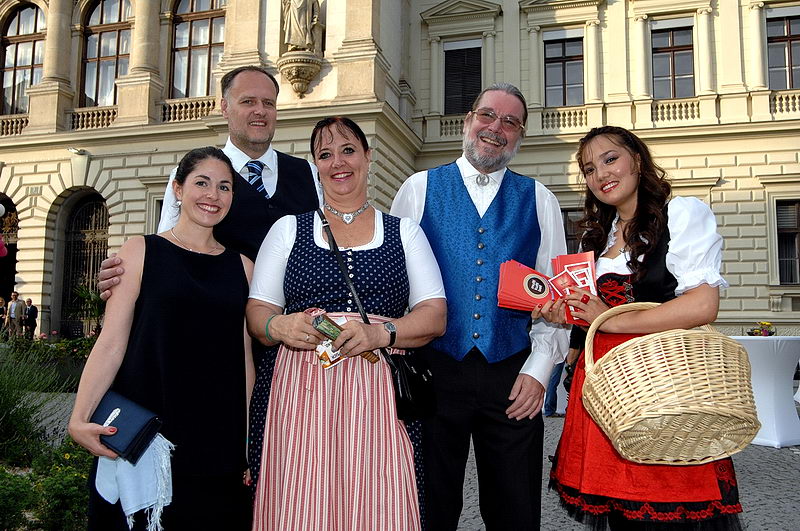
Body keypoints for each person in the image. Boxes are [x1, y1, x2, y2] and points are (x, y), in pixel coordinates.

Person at [97, 65, 321, 491]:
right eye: (248, 101)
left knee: (283, 474)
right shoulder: (192, 176)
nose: (260, 111)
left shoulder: (307, 175)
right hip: (211, 352)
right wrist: (123, 276)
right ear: (224, 107)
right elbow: (166, 256)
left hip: (289, 352)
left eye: (269, 103)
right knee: (197, 470)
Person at [536, 126, 742, 530]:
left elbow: (702, 306)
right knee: (620, 514)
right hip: (602, 392)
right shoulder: (595, 239)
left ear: (637, 159)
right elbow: (590, 317)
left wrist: (609, 319)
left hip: (660, 385)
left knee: (666, 508)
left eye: (610, 159)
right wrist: (564, 314)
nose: (600, 175)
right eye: (589, 169)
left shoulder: (681, 214)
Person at [247, 116, 446, 530]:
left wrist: (380, 332)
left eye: (349, 150)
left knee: (381, 500)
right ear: (316, 166)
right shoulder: (288, 229)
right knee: (301, 499)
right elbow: (258, 312)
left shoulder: (404, 232)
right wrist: (279, 327)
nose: (338, 162)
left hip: (379, 390)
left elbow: (434, 315)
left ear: (368, 157)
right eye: (325, 154)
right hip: (300, 389)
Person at [390, 82, 569, 530]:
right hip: (433, 369)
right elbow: (396, 284)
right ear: (468, 120)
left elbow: (557, 296)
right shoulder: (418, 188)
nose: (496, 127)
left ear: (520, 134)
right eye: (487, 115)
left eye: (510, 121)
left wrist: (539, 371)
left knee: (515, 511)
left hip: (512, 372)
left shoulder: (540, 199)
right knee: (428, 507)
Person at [69, 147, 255, 529]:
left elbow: (245, 361)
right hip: (146, 436)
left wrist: (250, 442)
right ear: (178, 189)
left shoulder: (244, 268)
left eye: (224, 187)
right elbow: (111, 343)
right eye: (202, 182)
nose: (213, 195)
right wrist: (79, 417)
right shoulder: (140, 251)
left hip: (216, 442)